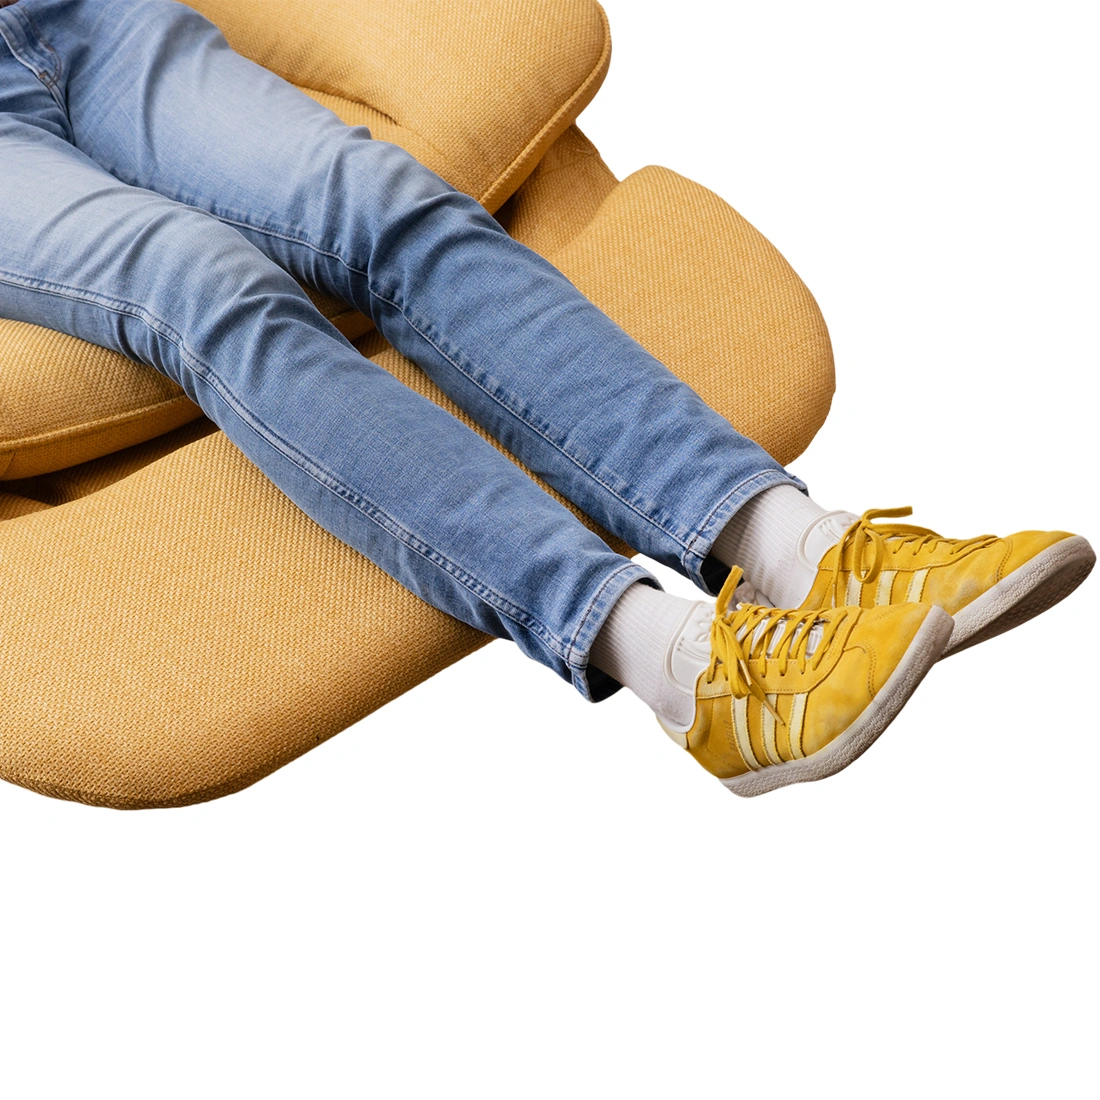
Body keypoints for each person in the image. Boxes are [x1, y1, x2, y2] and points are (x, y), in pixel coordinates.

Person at [1, 0, 1092, 797]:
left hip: (87, 18)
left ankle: (801, 547)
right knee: (203, 282)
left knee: (379, 197)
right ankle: (684, 668)